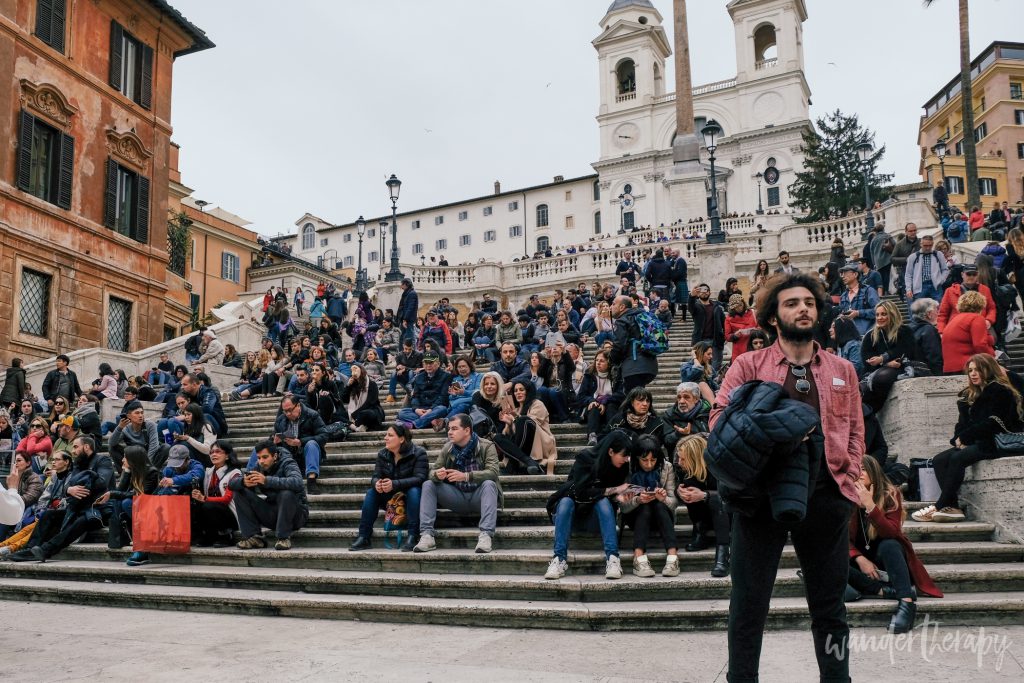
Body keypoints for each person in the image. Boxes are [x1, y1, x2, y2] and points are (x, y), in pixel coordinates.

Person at [711, 272, 862, 682]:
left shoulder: (842, 369)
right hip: (759, 499)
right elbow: (718, 418)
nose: (803, 309)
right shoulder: (749, 365)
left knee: (830, 608)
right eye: (792, 303)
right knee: (747, 606)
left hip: (826, 496)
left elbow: (854, 431)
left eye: (809, 302)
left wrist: (849, 478)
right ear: (773, 317)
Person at [914, 354, 1023, 525]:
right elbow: (961, 424)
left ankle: (940, 505)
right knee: (939, 459)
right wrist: (958, 438)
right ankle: (953, 507)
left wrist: (966, 437)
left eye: (978, 369)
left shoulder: (1000, 390)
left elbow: (993, 423)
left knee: (958, 458)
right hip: (977, 440)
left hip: (995, 442)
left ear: (988, 370)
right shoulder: (969, 395)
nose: (973, 373)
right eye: (970, 370)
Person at [848, 455, 943, 634]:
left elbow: (892, 532)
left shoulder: (890, 494)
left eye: (862, 468)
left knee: (890, 544)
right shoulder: (845, 495)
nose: (858, 473)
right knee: (829, 557)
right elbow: (839, 538)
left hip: (887, 563)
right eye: (854, 469)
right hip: (858, 564)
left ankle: (906, 604)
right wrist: (859, 558)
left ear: (873, 472)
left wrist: (870, 506)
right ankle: (883, 591)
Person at [543, 430, 632, 581]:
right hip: (571, 519)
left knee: (603, 501)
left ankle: (613, 559)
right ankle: (559, 559)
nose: (626, 459)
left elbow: (612, 498)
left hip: (599, 519)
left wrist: (621, 497)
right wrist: (614, 490)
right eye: (623, 455)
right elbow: (579, 491)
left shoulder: (621, 467)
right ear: (611, 451)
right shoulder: (585, 459)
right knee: (565, 501)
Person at [8, 435, 113, 563]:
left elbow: (102, 482)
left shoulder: (102, 460)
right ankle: (29, 549)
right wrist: (69, 490)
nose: (73, 451)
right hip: (77, 506)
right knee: (48, 515)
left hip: (98, 509)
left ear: (86, 447)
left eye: (75, 447)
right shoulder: (78, 463)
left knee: (80, 522)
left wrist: (86, 478)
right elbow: (67, 485)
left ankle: (46, 550)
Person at [414, 414, 502, 554]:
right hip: (457, 497)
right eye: (449, 428)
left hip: (479, 497)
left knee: (489, 484)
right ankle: (427, 536)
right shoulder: (448, 448)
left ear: (467, 430)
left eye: (454, 428)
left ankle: (486, 535)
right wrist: (437, 474)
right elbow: (432, 472)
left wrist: (466, 476)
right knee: (429, 484)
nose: (449, 432)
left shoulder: (486, 445)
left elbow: (493, 472)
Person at [350, 424, 428, 552]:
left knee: (414, 491)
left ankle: (413, 535)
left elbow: (420, 478)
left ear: (401, 439)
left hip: (410, 498)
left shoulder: (418, 453)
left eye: (390, 435)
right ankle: (364, 536)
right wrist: (377, 484)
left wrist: (394, 483)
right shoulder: (383, 454)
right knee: (371, 492)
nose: (386, 438)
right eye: (386, 435)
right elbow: (375, 477)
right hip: (391, 498)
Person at [230, 439, 309, 551]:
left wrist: (266, 480)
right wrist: (243, 482)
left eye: (265, 457)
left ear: (275, 456)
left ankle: (283, 538)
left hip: (296, 515)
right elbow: (231, 483)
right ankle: (255, 538)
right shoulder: (259, 466)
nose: (261, 461)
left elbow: (297, 482)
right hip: (273, 514)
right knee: (239, 492)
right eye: (259, 458)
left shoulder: (288, 462)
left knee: (286, 493)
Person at [618, 434, 679, 578]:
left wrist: (663, 499)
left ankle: (673, 557)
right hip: (635, 516)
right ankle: (638, 557)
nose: (649, 464)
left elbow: (674, 503)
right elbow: (622, 505)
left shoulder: (666, 467)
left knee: (657, 505)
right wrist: (638, 500)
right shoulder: (628, 467)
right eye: (644, 460)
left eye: (653, 460)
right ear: (636, 458)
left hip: (661, 516)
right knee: (645, 507)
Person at [674, 434, 732, 576]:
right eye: (679, 457)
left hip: (728, 516)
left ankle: (724, 554)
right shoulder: (684, 468)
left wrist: (705, 495)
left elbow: (731, 495)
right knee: (689, 487)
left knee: (717, 501)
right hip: (705, 516)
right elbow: (676, 486)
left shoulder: (720, 465)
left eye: (683, 459)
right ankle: (701, 532)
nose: (679, 462)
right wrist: (678, 491)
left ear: (695, 457)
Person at [248, 395, 327, 495]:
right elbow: (272, 438)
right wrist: (273, 441)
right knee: (260, 449)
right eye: (285, 411)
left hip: (306, 455)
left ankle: (311, 480)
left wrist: (300, 442)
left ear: (298, 405)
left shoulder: (312, 415)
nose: (288, 414)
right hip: (287, 457)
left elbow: (324, 436)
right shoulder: (281, 419)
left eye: (290, 410)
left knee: (311, 444)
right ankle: (250, 477)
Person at [860, 300, 915, 411]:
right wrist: (885, 363)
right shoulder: (870, 335)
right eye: (877, 315)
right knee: (860, 390)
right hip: (875, 370)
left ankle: (874, 410)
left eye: (884, 314)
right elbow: (866, 358)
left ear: (892, 314)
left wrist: (882, 358)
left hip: (902, 366)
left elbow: (904, 350)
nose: (880, 318)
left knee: (881, 378)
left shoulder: (904, 331)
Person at [105, 445, 159, 551]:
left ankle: (145, 534)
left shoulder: (151, 472)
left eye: (125, 457)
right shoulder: (133, 470)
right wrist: (126, 473)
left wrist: (113, 493)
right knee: (117, 502)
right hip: (138, 505)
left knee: (126, 502)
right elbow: (121, 491)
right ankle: (119, 539)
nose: (122, 459)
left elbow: (142, 494)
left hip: (151, 507)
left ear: (133, 459)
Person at [190, 440, 243, 547]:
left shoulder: (235, 473)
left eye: (218, 452)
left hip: (231, 515)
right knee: (194, 505)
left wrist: (204, 498)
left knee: (208, 505)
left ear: (227, 456)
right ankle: (208, 535)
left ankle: (226, 535)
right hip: (213, 510)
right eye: (211, 452)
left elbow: (226, 499)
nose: (214, 454)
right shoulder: (209, 472)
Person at [500, 381, 556, 475]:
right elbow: (512, 435)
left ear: (528, 391)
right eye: (515, 390)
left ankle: (512, 464)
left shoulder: (537, 404)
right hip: (522, 447)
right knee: (497, 437)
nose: (518, 392)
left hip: (538, 443)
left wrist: (516, 418)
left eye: (521, 390)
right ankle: (529, 462)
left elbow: (532, 423)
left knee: (524, 420)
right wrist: (509, 424)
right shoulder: (515, 410)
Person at [610, 295, 659, 391]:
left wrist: (612, 359)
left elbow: (619, 345)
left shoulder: (622, 321)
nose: (611, 307)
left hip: (633, 365)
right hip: (650, 365)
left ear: (622, 307)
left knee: (634, 400)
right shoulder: (641, 316)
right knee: (639, 397)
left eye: (613, 304)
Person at [941, 291, 996, 374]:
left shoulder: (954, 319)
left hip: (950, 367)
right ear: (981, 305)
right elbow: (980, 344)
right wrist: (993, 361)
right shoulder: (976, 318)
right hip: (968, 366)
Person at [396, 351, 452, 431]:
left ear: (438, 363)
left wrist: (431, 410)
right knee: (402, 413)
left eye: (431, 363)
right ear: (423, 364)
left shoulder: (446, 376)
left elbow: (443, 397)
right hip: (421, 409)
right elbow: (415, 396)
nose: (428, 365)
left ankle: (415, 424)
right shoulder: (419, 377)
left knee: (442, 409)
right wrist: (416, 409)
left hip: (435, 409)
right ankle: (430, 421)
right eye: (426, 363)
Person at [936, 264, 995, 334]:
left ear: (978, 275)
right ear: (962, 275)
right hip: (957, 328)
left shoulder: (985, 290)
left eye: (974, 274)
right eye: (968, 274)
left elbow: (991, 308)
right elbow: (943, 314)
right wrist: (941, 332)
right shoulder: (950, 291)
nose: (971, 277)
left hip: (979, 326)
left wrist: (988, 320)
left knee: (993, 338)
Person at [108, 400, 161, 471]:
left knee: (165, 448)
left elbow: (154, 447)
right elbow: (112, 443)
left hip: (147, 457)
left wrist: (146, 465)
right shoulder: (125, 428)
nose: (140, 416)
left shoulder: (150, 425)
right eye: (137, 413)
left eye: (142, 413)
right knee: (112, 448)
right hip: (134, 455)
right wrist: (119, 427)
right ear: (129, 416)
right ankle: (124, 473)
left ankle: (152, 472)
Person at [0, 452, 42, 541]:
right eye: (15, 461)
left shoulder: (35, 478)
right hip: (15, 506)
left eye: (19, 460)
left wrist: (11, 503)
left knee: (4, 518)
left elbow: (31, 497)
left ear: (28, 463)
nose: (16, 463)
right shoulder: (13, 477)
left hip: (28, 509)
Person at [660, 382, 711, 452]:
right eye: (679, 397)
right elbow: (666, 442)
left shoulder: (708, 412)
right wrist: (678, 434)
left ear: (696, 399)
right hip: (680, 458)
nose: (681, 401)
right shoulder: (669, 415)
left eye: (686, 397)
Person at [836, 262, 879, 337]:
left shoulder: (868, 291)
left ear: (855, 274)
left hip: (866, 335)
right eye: (842, 274)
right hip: (848, 336)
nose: (842, 276)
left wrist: (858, 313)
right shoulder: (843, 296)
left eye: (845, 273)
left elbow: (877, 311)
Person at [903, 234, 948, 302]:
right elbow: (908, 274)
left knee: (938, 308)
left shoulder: (938, 254)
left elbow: (945, 269)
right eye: (925, 246)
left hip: (935, 286)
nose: (928, 248)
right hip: (920, 286)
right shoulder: (913, 257)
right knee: (920, 310)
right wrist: (908, 289)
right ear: (921, 244)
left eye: (930, 245)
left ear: (932, 244)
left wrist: (941, 280)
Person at [341, 363, 385, 433]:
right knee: (337, 415)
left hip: (371, 410)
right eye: (352, 370)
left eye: (355, 369)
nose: (354, 371)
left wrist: (355, 414)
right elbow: (344, 399)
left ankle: (353, 425)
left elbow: (371, 402)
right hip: (355, 413)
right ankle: (356, 427)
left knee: (366, 413)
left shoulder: (372, 384)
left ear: (361, 370)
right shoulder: (352, 385)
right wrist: (348, 386)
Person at [172, 403, 215, 468]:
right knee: (178, 444)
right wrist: (178, 439)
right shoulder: (187, 427)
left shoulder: (206, 427)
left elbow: (207, 450)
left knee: (184, 444)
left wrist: (188, 439)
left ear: (196, 414)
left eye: (189, 414)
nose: (186, 417)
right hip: (192, 458)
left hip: (207, 460)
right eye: (185, 415)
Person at [907, 298, 944, 376]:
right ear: (929, 314)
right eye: (936, 310)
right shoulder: (929, 330)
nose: (938, 313)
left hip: (913, 372)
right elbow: (934, 358)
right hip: (928, 375)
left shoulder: (908, 329)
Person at [891, 223, 920, 303]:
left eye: (914, 230)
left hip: (920, 274)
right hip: (905, 273)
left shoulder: (921, 242)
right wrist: (907, 259)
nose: (913, 232)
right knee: (910, 299)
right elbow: (893, 259)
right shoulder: (899, 244)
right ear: (906, 232)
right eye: (910, 231)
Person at [386, 339, 423, 404]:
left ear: (412, 347)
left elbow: (418, 369)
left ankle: (409, 395)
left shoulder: (418, 355)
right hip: (403, 377)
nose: (407, 351)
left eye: (409, 349)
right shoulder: (399, 355)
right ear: (403, 346)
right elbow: (398, 367)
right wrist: (399, 368)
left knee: (411, 372)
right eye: (406, 349)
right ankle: (391, 395)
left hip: (413, 377)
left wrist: (405, 368)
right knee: (394, 373)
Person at [397, 278, 419, 345]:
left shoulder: (412, 293)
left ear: (406, 284)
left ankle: (412, 352)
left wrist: (405, 319)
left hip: (408, 320)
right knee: (402, 337)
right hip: (404, 319)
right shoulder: (406, 293)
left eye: (402, 284)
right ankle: (401, 353)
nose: (401, 286)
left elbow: (410, 308)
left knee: (409, 338)